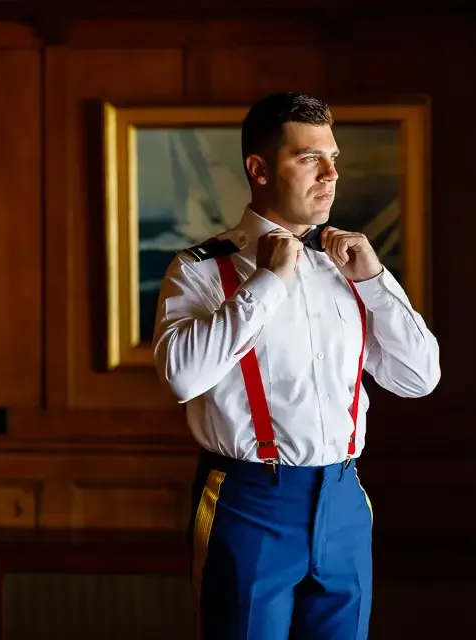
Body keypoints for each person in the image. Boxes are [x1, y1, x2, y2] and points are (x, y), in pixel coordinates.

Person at [152, 92, 441, 640]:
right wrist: (268, 282)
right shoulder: (201, 270)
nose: (331, 174)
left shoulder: (349, 267)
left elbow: (419, 377)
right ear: (259, 170)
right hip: (251, 501)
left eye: (333, 158)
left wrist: (375, 282)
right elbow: (181, 377)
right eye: (310, 158)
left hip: (345, 498)